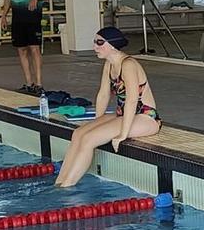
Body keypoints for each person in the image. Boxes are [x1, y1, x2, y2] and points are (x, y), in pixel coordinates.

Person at [54, 26, 163, 188]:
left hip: (146, 117)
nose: (95, 46)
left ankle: (67, 187)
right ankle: (59, 182)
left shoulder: (128, 65)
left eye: (99, 42)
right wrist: (97, 122)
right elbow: (103, 95)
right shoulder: (109, 64)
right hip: (124, 115)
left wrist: (122, 135)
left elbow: (132, 100)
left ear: (112, 45)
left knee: (89, 139)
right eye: (95, 42)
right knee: (79, 134)